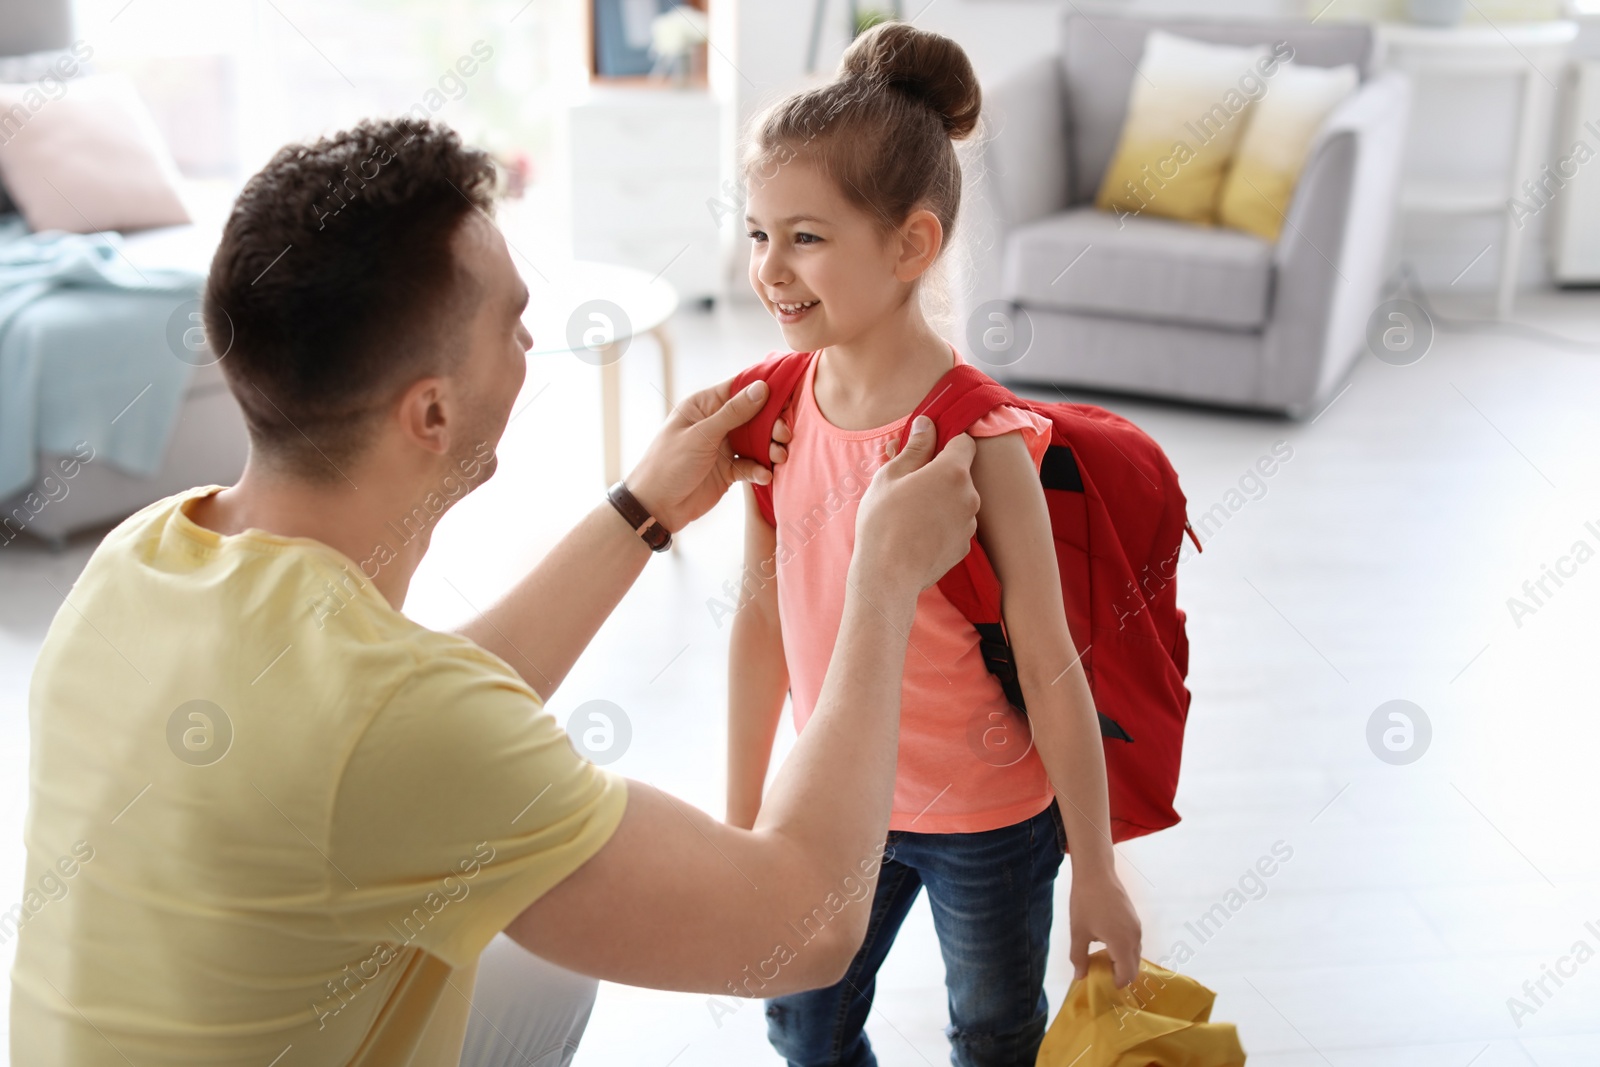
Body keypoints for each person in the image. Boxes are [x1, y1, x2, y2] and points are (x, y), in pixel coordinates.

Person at [9, 117, 982, 1067]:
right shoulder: (391, 724)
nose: (529, 339)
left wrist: (643, 508)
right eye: (513, 322)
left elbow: (405, 722)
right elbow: (804, 925)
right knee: (534, 947)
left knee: (533, 961)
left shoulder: (151, 551)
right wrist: (880, 580)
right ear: (431, 409)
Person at [725, 22, 1143, 1067]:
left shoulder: (976, 436)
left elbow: (1050, 665)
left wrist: (1095, 866)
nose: (770, 269)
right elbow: (758, 621)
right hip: (830, 802)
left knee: (994, 1031)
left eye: (806, 237)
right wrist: (739, 825)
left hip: (989, 817)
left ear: (910, 245)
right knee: (803, 1020)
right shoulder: (772, 412)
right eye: (756, 233)